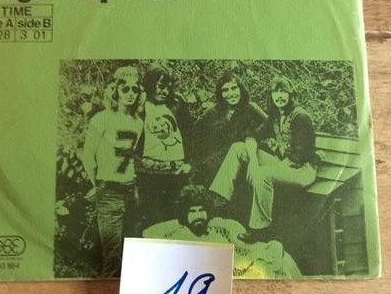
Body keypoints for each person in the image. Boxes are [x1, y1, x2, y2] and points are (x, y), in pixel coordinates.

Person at [209, 75, 318, 237]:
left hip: (302, 170)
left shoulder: (300, 116)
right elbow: (252, 136)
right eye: (275, 92)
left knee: (263, 174)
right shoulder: (275, 116)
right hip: (283, 164)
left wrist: (263, 169)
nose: (279, 96)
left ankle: (260, 228)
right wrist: (253, 162)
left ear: (291, 95)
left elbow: (298, 157)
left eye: (283, 92)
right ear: (271, 95)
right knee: (238, 148)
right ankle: (219, 201)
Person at [142, 184, 302, 278]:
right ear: (184, 214)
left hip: (236, 266)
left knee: (277, 250)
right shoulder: (179, 233)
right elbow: (148, 233)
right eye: (192, 212)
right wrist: (179, 222)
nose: (198, 216)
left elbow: (237, 233)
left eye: (201, 210)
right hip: (212, 274)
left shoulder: (216, 226)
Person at [80, 66, 144, 277]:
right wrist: (97, 184)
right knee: (112, 255)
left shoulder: (138, 122)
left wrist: (134, 187)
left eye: (135, 89)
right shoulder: (102, 118)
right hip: (109, 191)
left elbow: (131, 157)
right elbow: (88, 155)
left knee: (132, 252)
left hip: (130, 191)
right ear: (115, 90)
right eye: (125, 89)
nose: (130, 94)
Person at [135, 64, 192, 229]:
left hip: (177, 174)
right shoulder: (139, 107)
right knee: (154, 223)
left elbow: (191, 136)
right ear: (150, 84)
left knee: (177, 222)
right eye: (160, 86)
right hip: (149, 176)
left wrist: (189, 163)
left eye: (168, 87)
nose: (164, 91)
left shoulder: (177, 105)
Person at [191, 71, 267, 185]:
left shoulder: (251, 108)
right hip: (214, 164)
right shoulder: (212, 111)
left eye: (234, 88)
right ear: (220, 93)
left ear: (240, 89)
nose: (231, 94)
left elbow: (269, 124)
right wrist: (194, 161)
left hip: (240, 163)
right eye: (225, 90)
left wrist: (253, 134)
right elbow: (194, 135)